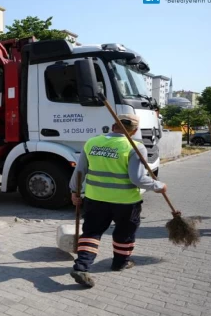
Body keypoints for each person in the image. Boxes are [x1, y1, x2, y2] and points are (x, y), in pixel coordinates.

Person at [68, 114, 167, 288]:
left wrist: (74, 191)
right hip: (125, 202)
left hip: (95, 198)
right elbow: (137, 179)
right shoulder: (135, 147)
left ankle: (81, 267)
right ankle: (120, 263)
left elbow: (80, 171)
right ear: (134, 130)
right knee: (124, 233)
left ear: (113, 125)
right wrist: (157, 185)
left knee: (91, 232)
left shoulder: (92, 142)